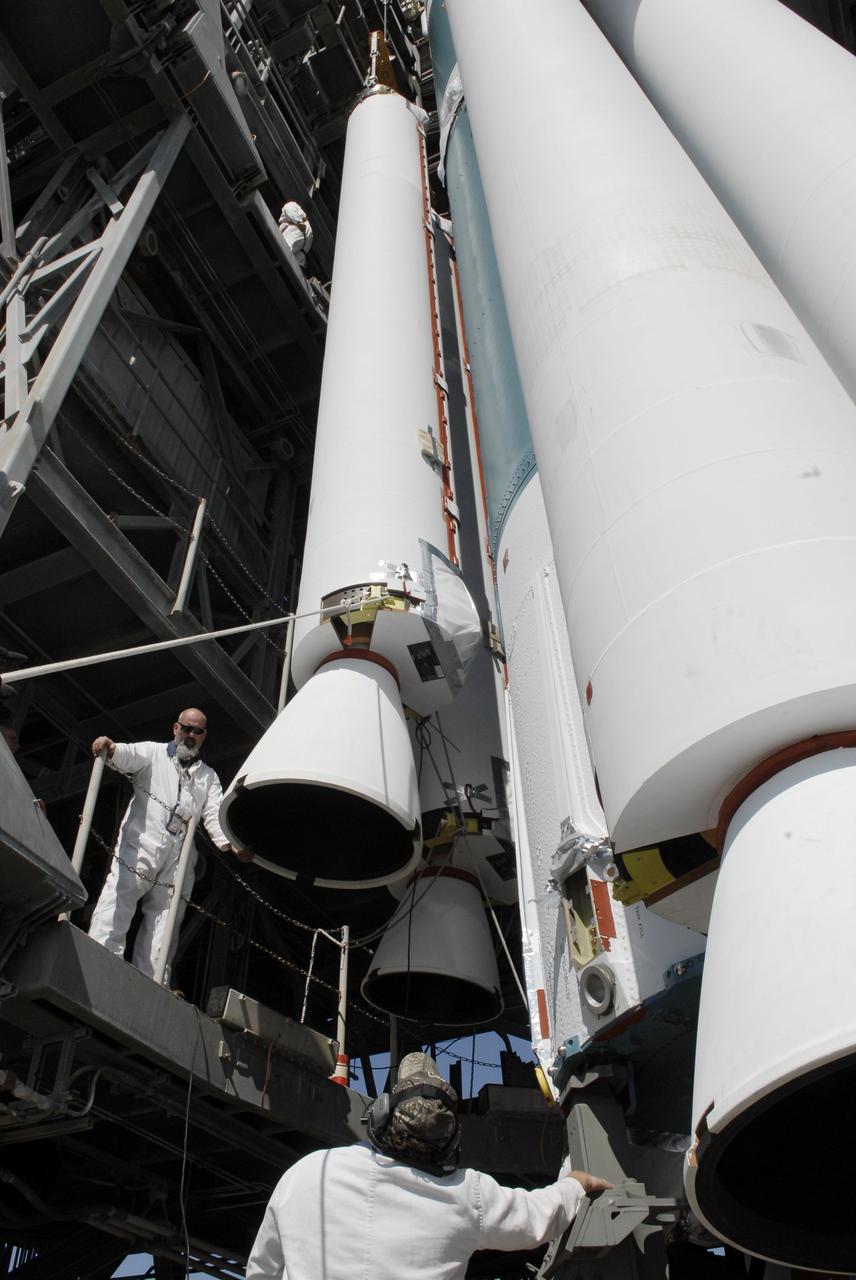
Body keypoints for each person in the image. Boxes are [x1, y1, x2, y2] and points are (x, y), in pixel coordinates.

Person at [246, 1051, 613, 1280]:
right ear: (451, 1142)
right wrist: (574, 1184)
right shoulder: (468, 1194)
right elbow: (538, 1219)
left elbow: (262, 1272)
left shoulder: (307, 1173)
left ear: (380, 1116)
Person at [87, 708, 252, 982]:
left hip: (178, 857)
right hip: (142, 843)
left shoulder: (208, 776)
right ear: (175, 728)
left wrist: (231, 845)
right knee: (119, 899)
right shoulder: (153, 753)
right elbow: (127, 755)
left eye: (197, 731)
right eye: (186, 728)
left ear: (204, 736)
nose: (190, 735)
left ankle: (152, 982)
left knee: (165, 923)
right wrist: (111, 748)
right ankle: (99, 958)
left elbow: (213, 814)